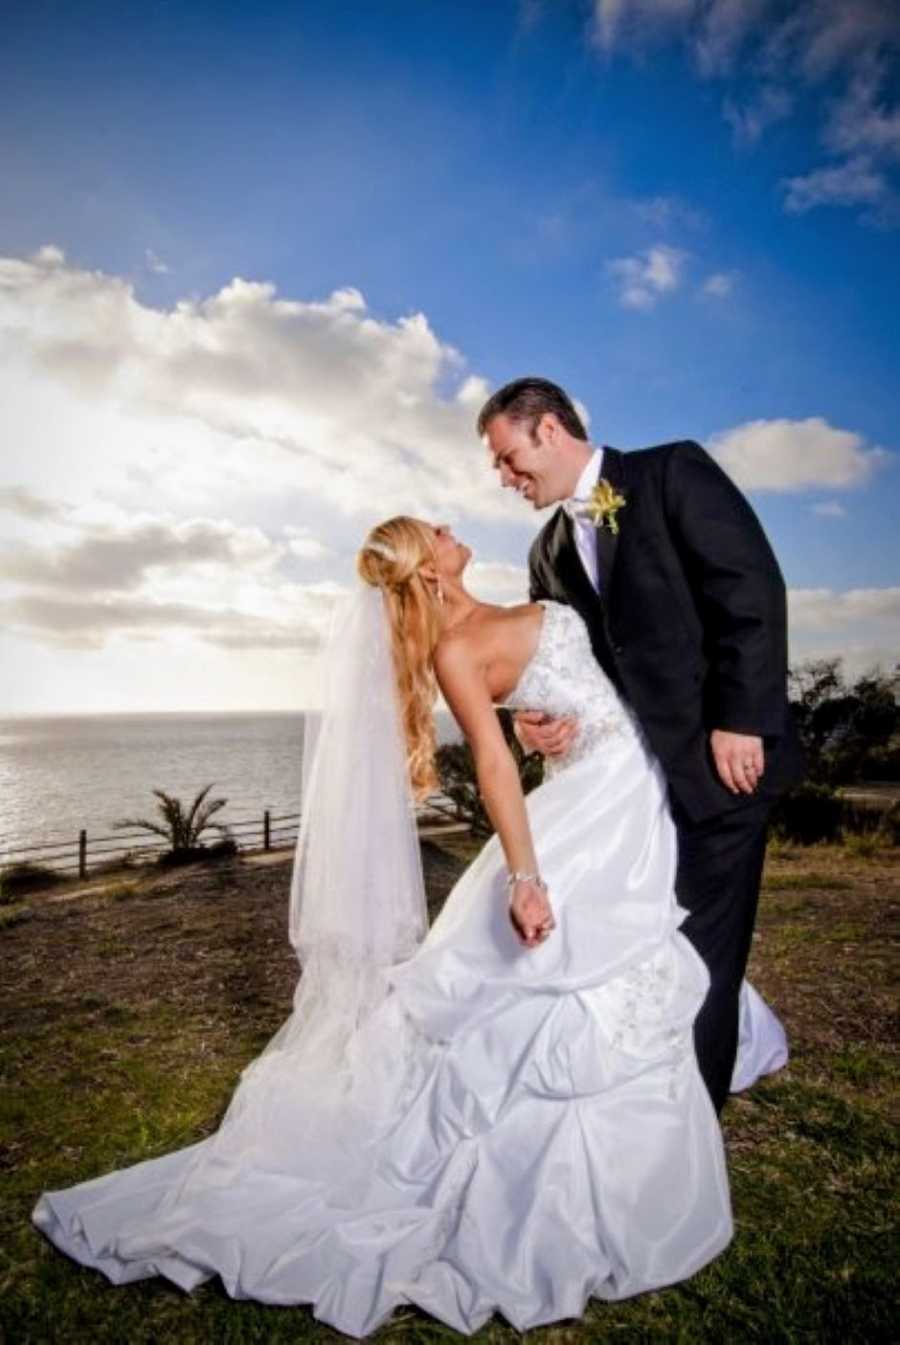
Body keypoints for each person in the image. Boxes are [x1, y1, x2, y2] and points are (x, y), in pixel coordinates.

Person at [31, 515, 787, 1336]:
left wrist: (543, 721)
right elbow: (492, 762)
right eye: (434, 529)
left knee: (625, 955)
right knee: (562, 981)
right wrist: (524, 876)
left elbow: (573, 684)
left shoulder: (515, 602)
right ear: (427, 570)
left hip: (615, 791)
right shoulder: (454, 650)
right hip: (588, 810)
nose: (449, 526)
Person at [478, 377, 805, 1113]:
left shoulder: (670, 474)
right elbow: (568, 664)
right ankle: (650, 1105)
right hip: (628, 789)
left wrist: (743, 718)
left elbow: (749, 589)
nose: (503, 477)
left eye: (507, 458)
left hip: (724, 766)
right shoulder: (547, 550)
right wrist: (535, 723)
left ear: (551, 431)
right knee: (649, 948)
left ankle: (693, 1113)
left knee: (704, 957)